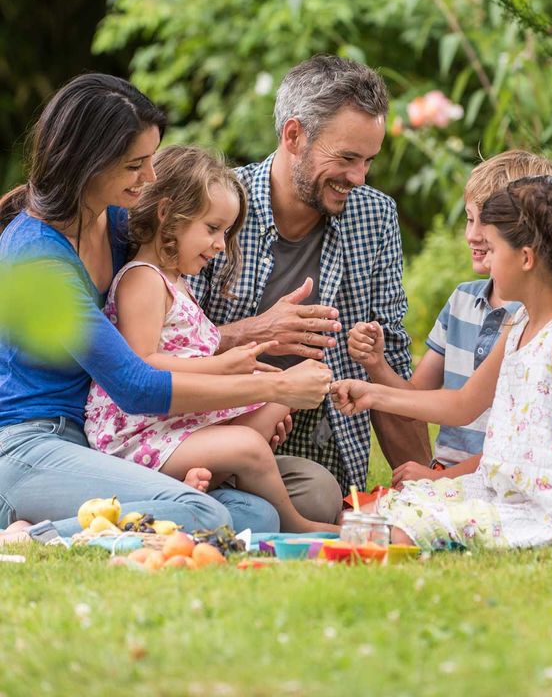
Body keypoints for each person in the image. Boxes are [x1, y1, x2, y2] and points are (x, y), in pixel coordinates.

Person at [0, 73, 331, 545]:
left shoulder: (113, 227)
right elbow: (136, 386)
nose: (150, 177)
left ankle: (110, 512)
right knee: (198, 512)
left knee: (252, 512)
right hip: (32, 445)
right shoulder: (37, 254)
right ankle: (30, 537)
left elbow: (167, 330)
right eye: (136, 164)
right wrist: (277, 384)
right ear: (89, 164)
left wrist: (251, 340)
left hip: (95, 447)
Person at [332, 175, 552, 557]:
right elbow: (462, 403)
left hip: (546, 515)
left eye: (494, 249)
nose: (487, 260)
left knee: (388, 536)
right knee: (362, 518)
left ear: (526, 258)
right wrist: (372, 393)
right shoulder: (521, 324)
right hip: (499, 490)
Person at [190, 55, 430, 504]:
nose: (358, 178)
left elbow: (390, 361)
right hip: (209, 442)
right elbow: (160, 350)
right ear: (294, 135)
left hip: (321, 456)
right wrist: (255, 332)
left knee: (317, 497)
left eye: (369, 161)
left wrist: (426, 490)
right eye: (347, 158)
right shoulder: (213, 209)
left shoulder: (375, 217)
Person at [85, 145, 338, 533]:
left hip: (172, 425)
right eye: (212, 229)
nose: (220, 245)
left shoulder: (177, 283)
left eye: (225, 232)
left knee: (275, 401)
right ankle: (297, 524)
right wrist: (221, 366)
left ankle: (200, 483)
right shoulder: (142, 280)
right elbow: (141, 365)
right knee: (250, 444)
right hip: (137, 436)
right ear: (167, 214)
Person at [347, 151, 552, 487]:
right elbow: (416, 402)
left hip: (500, 478)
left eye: (487, 223)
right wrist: (376, 364)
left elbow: (519, 445)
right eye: (469, 219)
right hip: (448, 475)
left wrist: (442, 480)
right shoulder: (462, 302)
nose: (473, 235)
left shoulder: (537, 322)